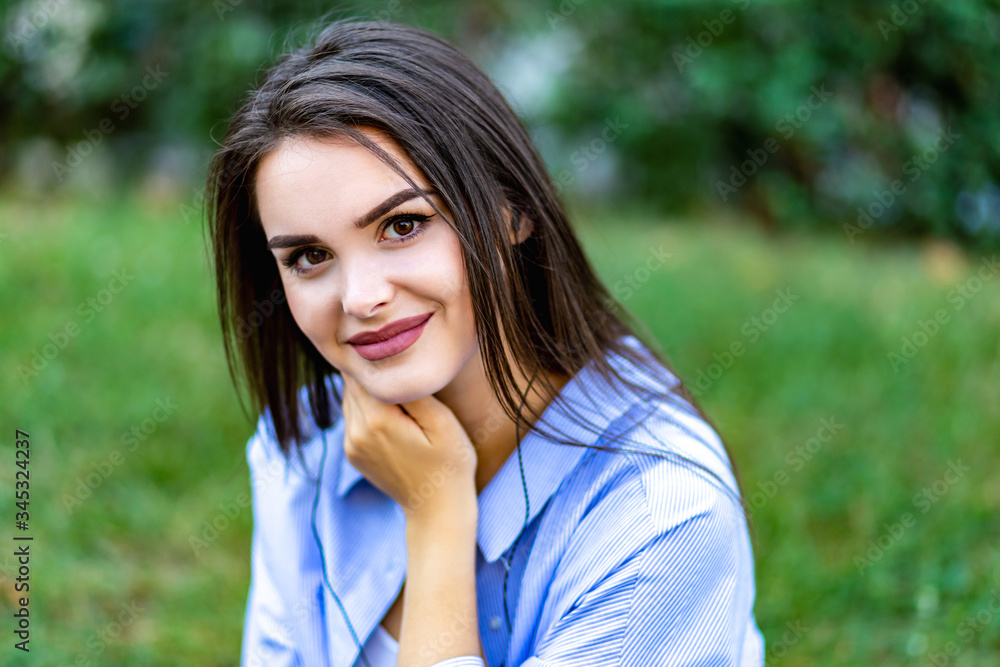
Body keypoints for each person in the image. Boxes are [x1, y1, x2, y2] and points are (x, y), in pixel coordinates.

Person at [206, 17, 764, 667]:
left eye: (403, 224)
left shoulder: (661, 518)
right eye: (308, 255)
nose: (360, 296)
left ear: (513, 210)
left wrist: (436, 510)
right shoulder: (303, 444)